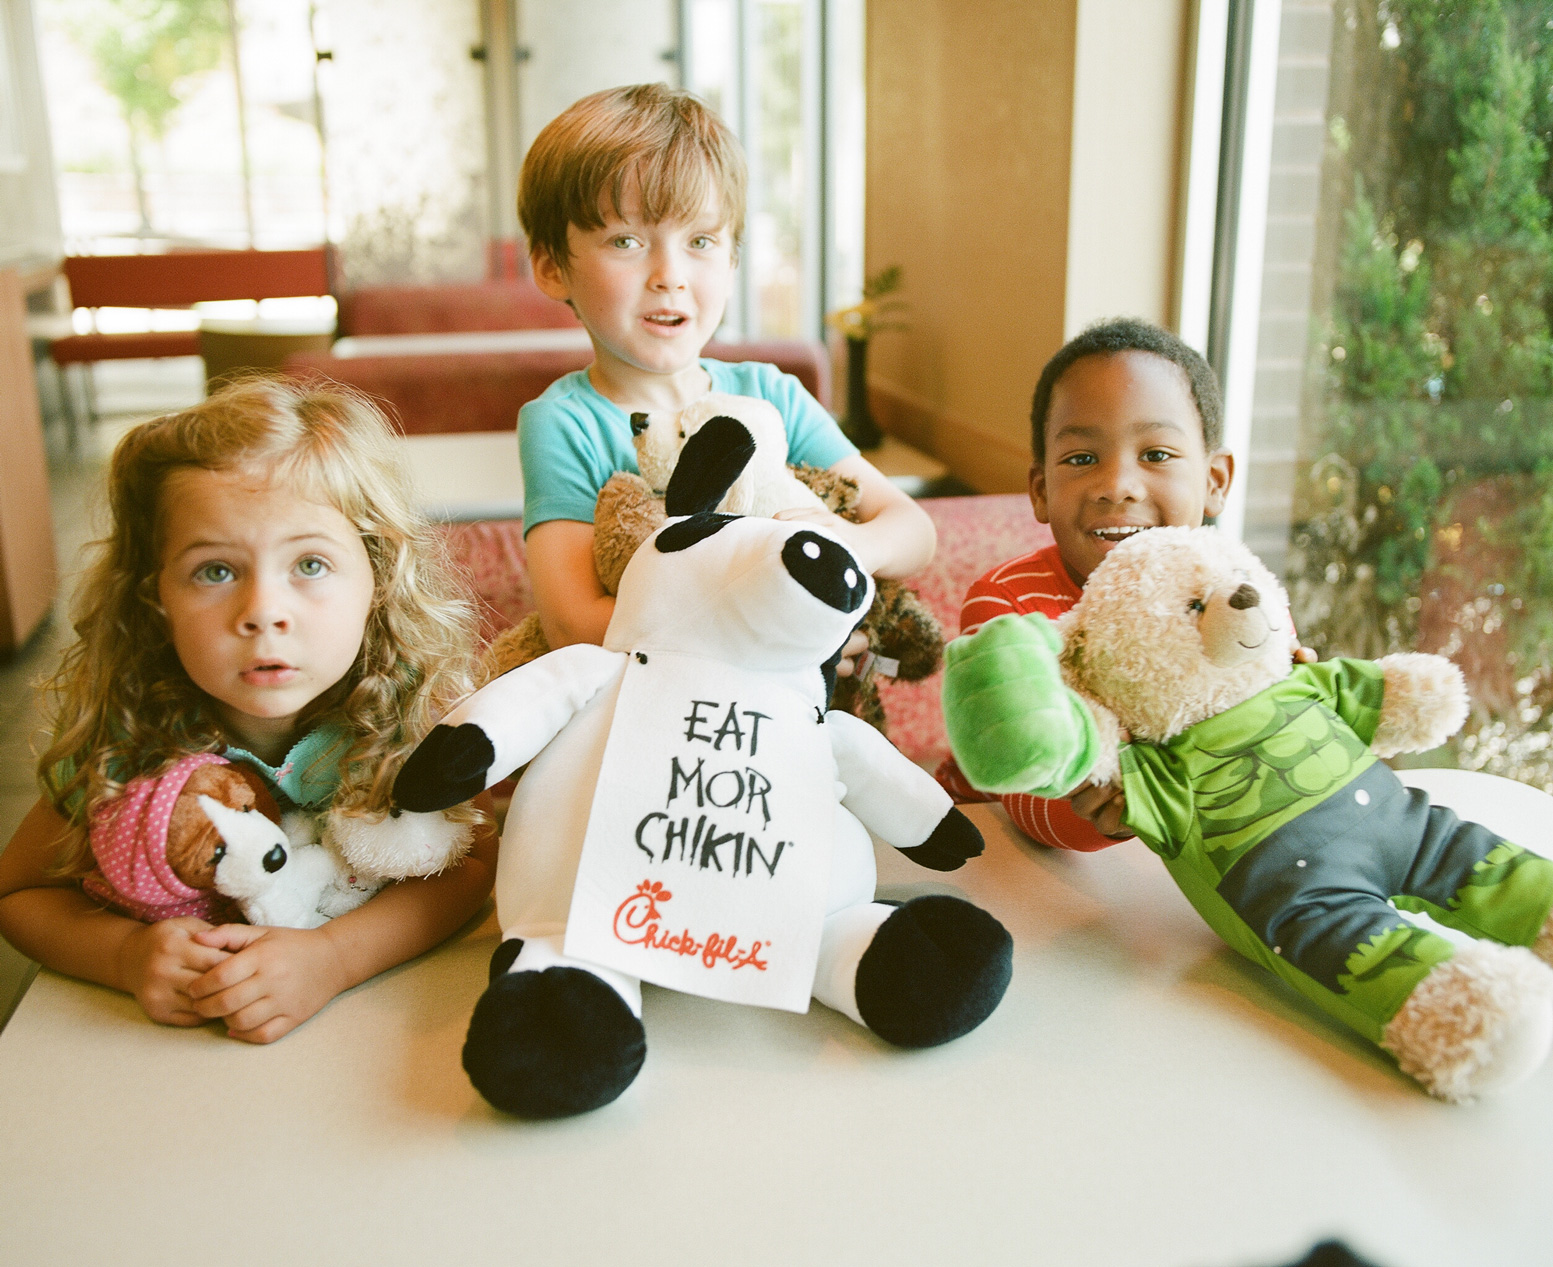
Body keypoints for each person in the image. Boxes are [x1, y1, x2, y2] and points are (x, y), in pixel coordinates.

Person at [0, 379, 497, 1043]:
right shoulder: (129, 739)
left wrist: (334, 958)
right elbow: (19, 893)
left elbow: (470, 865)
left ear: (377, 578)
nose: (264, 611)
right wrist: (122, 953)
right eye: (215, 571)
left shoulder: (409, 713)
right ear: (156, 599)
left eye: (311, 564)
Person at [516, 83, 934, 665]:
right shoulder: (562, 423)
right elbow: (571, 623)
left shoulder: (772, 395)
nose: (670, 274)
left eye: (701, 241)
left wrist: (855, 546)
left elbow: (912, 527)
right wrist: (769, 634)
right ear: (552, 267)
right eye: (627, 240)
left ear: (733, 260)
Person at [936, 317, 1236, 850]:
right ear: (1040, 490)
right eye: (1081, 459)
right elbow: (1030, 798)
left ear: (1214, 482)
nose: (1117, 485)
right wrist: (1115, 812)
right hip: (987, 852)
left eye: (1156, 455)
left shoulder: (1236, 601)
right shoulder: (1008, 609)